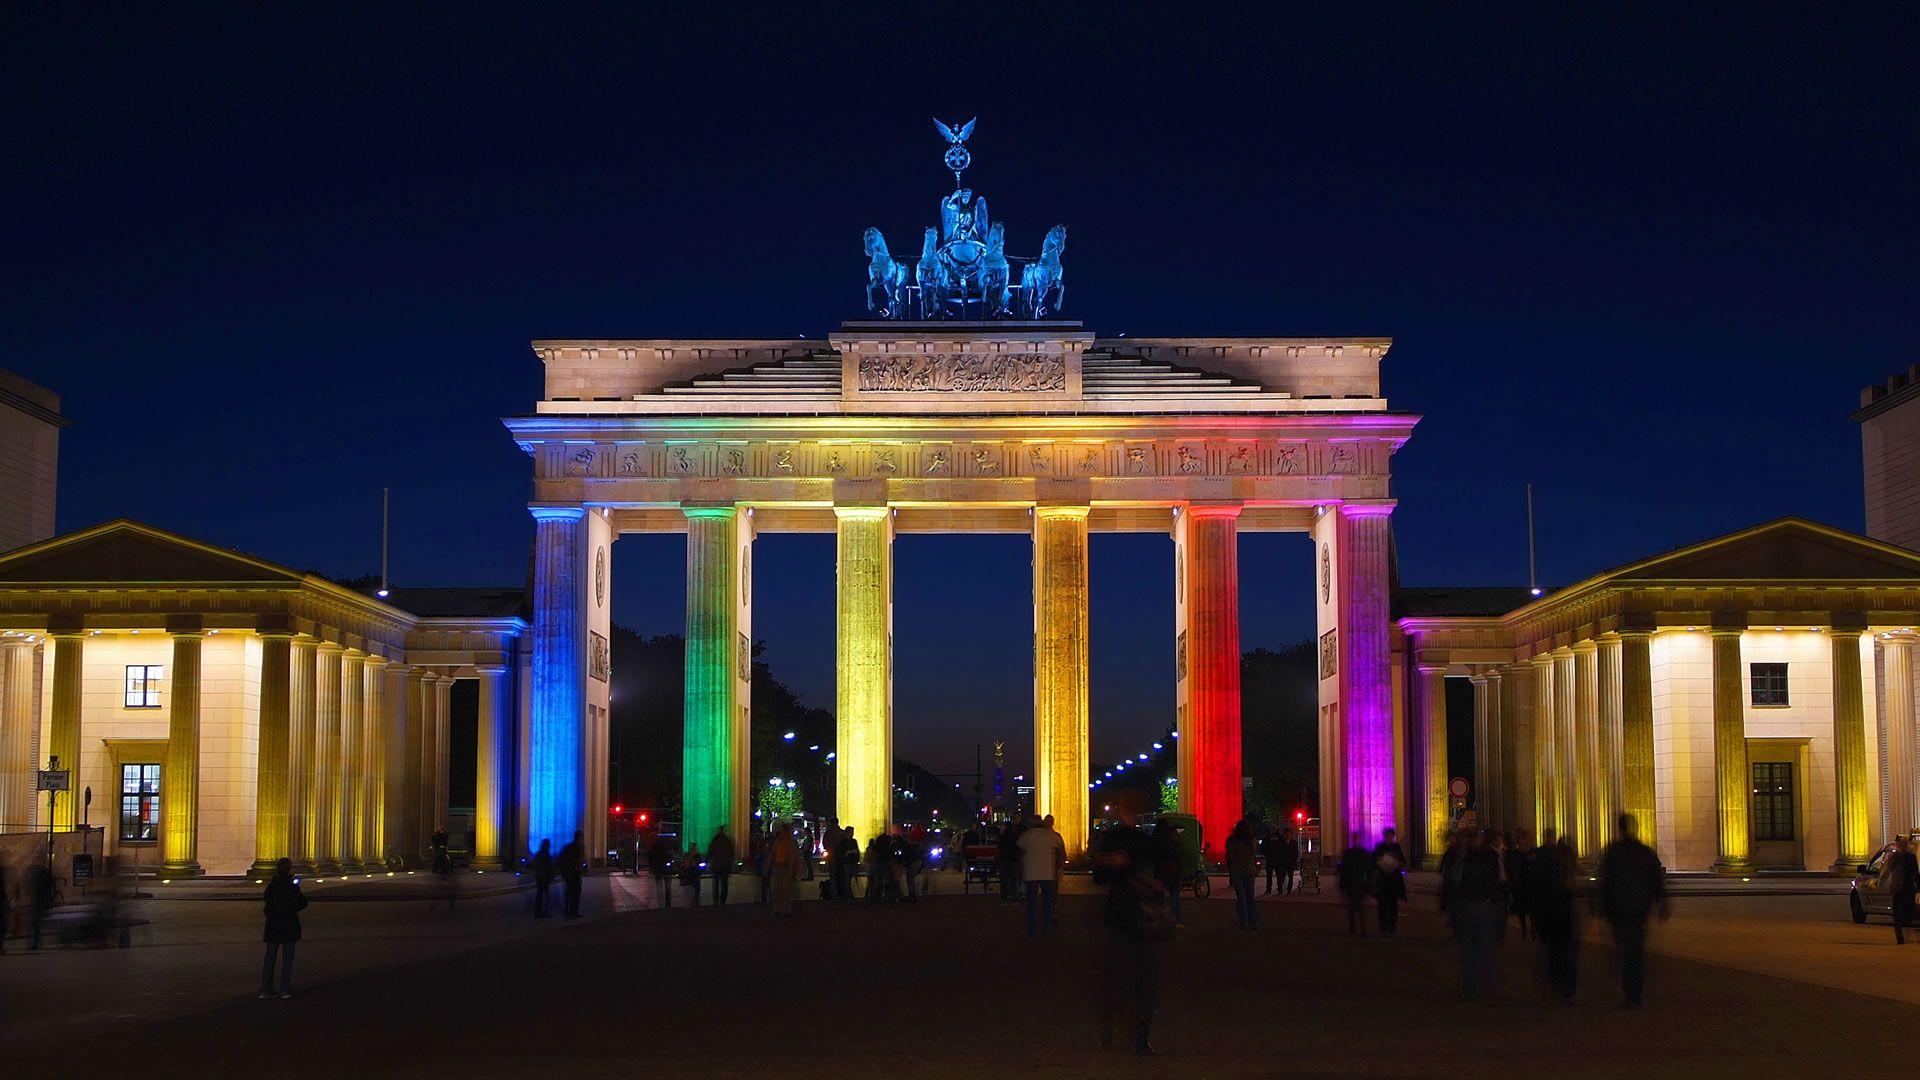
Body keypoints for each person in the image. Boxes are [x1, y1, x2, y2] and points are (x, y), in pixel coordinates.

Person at [1093, 796, 1168, 1056]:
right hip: (1138, 917)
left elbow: (1098, 876)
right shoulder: (1142, 842)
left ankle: (1123, 1033)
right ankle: (1134, 1035)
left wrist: (1111, 865)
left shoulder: (1115, 840)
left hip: (1128, 915)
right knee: (1138, 977)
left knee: (1123, 976)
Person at [1597, 813, 1667, 1006]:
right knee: (1634, 949)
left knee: (1627, 949)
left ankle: (1631, 991)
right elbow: (1656, 879)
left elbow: (1605, 882)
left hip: (1620, 909)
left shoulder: (1613, 852)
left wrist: (1602, 906)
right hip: (1638, 909)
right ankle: (1634, 991)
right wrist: (1661, 902)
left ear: (1620, 828)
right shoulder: (1644, 852)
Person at [1449, 831, 1505, 1002]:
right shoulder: (1491, 858)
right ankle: (1490, 990)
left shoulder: (1463, 859)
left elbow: (1454, 883)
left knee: (1469, 952)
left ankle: (1471, 990)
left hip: (1468, 907)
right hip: (1484, 906)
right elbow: (1499, 882)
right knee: (1486, 951)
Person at [1530, 828, 1577, 1002]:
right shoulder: (1571, 876)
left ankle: (1555, 986)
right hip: (1565, 922)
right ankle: (1568, 990)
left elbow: (1541, 896)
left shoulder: (1551, 870)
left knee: (1554, 954)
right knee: (1568, 955)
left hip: (1552, 921)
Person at [259, 858, 308, 999]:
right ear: (289, 870)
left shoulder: (271, 887)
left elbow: (266, 903)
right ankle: (284, 990)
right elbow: (303, 903)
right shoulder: (291, 887)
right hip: (288, 926)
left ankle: (265, 990)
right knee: (287, 960)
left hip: (273, 926)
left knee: (269, 959)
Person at [1018, 813, 1066, 936]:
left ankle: (1031, 928)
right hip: (1047, 873)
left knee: (1031, 903)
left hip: (1031, 874)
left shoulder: (1027, 836)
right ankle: (1046, 927)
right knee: (1048, 903)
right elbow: (1060, 846)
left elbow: (1019, 845)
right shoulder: (1051, 836)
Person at [1148, 818, 1186, 929]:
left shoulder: (1154, 839)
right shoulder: (1171, 837)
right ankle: (1176, 920)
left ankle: (1158, 919)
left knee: (1158, 897)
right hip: (1173, 870)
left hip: (1160, 871)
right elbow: (1178, 850)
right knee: (1174, 897)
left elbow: (1151, 855)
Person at [1371, 827, 1408, 935]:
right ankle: (1383, 927)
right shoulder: (1380, 847)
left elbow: (1402, 861)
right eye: (1387, 835)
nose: (1389, 837)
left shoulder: (1396, 847)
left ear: (1393, 836)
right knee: (1382, 905)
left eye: (1390, 835)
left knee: (1393, 906)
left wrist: (1398, 864)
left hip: (1393, 881)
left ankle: (1392, 928)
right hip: (1383, 880)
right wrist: (1379, 863)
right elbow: (1373, 860)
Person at [1225, 819, 1260, 930]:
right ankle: (1253, 921)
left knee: (1241, 896)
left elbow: (1229, 855)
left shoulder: (1231, 840)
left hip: (1237, 869)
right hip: (1249, 869)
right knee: (1250, 896)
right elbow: (1254, 852)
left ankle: (1243, 920)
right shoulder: (1251, 840)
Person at [1337, 832, 1372, 935]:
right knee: (1352, 907)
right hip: (1350, 883)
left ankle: (1362, 928)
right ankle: (1353, 928)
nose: (1357, 840)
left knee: (1361, 907)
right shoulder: (1348, 852)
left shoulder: (1364, 853)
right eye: (1355, 838)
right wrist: (1342, 884)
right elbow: (1343, 870)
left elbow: (1369, 870)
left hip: (1361, 883)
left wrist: (1369, 884)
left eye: (1358, 838)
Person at [767, 819, 801, 916]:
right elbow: (773, 854)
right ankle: (778, 909)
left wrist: (795, 868)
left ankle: (785, 909)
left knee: (785, 889)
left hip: (786, 867)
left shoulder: (789, 842)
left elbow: (795, 856)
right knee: (777, 889)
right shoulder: (779, 841)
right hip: (779, 866)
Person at [1505, 830, 1534, 940]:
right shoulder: (1515, 854)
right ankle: (1524, 930)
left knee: (1532, 910)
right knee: (1522, 909)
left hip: (1530, 884)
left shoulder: (1533, 852)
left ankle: (1532, 930)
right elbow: (1512, 869)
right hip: (1520, 885)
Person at [999, 812, 1025, 904]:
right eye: (1014, 818)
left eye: (1016, 818)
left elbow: (1001, 842)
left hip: (1011, 857)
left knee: (1011, 879)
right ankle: (1011, 898)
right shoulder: (1021, 829)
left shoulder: (1008, 829)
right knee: (1010, 879)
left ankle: (1008, 898)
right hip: (1012, 857)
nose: (1015, 819)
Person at [558, 831, 585, 918]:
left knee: (568, 892)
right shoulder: (580, 846)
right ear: (580, 837)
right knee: (576, 893)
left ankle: (566, 910)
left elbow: (562, 858)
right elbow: (580, 860)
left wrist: (563, 871)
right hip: (576, 873)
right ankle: (573, 911)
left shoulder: (568, 846)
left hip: (568, 873)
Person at [708, 826, 735, 906]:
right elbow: (731, 852)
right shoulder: (727, 840)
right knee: (724, 883)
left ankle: (716, 900)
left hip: (716, 864)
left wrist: (708, 859)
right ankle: (722, 901)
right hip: (725, 864)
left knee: (716, 883)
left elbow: (711, 850)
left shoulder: (715, 840)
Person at [646, 832, 675, 908]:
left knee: (659, 888)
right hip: (667, 870)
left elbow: (651, 857)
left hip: (658, 870)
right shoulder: (669, 845)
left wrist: (652, 868)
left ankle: (661, 905)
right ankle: (668, 904)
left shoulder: (655, 845)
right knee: (668, 887)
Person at [531, 839, 555, 918]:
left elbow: (535, 865)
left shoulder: (539, 854)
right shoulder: (546, 854)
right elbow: (549, 866)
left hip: (539, 876)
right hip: (544, 877)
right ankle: (545, 913)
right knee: (545, 895)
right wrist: (551, 875)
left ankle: (538, 913)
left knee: (540, 894)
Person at [680, 841, 704, 906]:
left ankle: (695, 902)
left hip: (694, 875)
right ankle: (694, 903)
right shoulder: (691, 855)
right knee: (690, 892)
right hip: (692, 876)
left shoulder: (694, 855)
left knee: (694, 891)